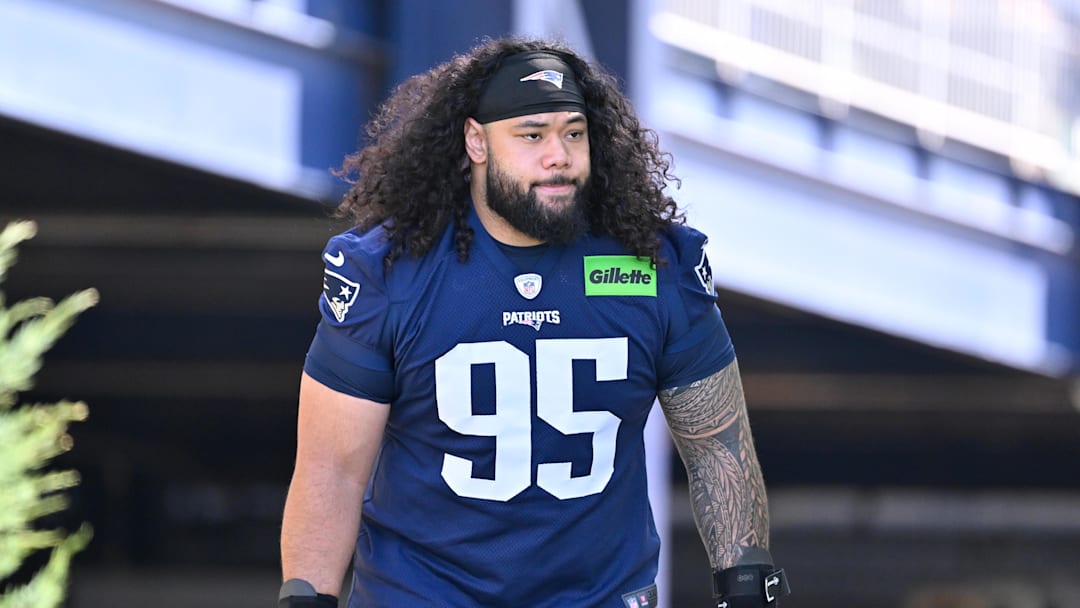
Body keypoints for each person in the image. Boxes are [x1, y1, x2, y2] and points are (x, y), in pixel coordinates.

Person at [279, 37, 788, 608]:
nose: (558, 155)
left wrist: (747, 584)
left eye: (574, 133)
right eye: (531, 135)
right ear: (476, 141)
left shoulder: (652, 268)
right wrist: (307, 598)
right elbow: (333, 472)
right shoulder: (389, 274)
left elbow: (717, 446)